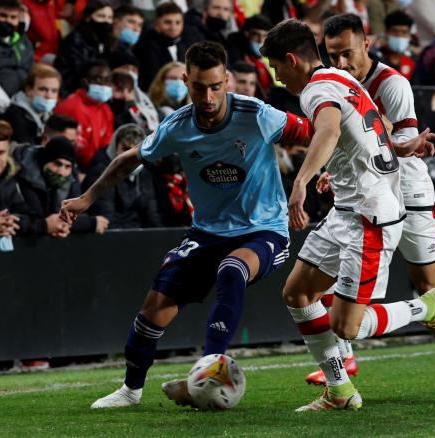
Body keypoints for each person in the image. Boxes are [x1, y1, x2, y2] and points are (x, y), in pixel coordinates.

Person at [59, 41, 311, 409]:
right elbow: (131, 159)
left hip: (263, 229)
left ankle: (209, 369)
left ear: (227, 81)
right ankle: (130, 390)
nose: (207, 97)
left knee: (232, 269)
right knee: (153, 309)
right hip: (206, 232)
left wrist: (323, 174)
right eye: (198, 87)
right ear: (185, 81)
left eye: (215, 87)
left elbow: (320, 132)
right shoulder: (176, 126)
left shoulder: (257, 114)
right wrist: (86, 198)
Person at [261, 19, 435, 412]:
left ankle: (430, 306)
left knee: (346, 326)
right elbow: (374, 126)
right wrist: (401, 149)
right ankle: (341, 390)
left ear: (292, 60)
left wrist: (300, 182)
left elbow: (329, 132)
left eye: (276, 69)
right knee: (297, 294)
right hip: (347, 210)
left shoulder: (316, 89)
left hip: (370, 215)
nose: (278, 79)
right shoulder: (339, 77)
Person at [302, 13, 435, 388]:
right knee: (329, 277)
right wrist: (337, 168)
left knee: (428, 286)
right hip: (368, 194)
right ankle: (344, 358)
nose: (341, 63)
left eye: (347, 53)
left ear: (366, 43)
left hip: (408, 190)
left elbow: (401, 148)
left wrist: (366, 152)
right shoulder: (334, 81)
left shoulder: (392, 83)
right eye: (332, 56)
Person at [15, 136, 108, 235]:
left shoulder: (71, 180)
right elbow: (43, 219)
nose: (61, 172)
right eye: (57, 164)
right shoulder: (26, 178)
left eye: (67, 166)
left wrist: (65, 226)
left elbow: (76, 214)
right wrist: (91, 223)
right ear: (45, 161)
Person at [84, 124, 162, 229]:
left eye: (136, 151)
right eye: (125, 149)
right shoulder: (100, 173)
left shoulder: (144, 174)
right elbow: (106, 218)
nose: (130, 156)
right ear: (115, 148)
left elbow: (152, 216)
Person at [54, 60, 114, 170]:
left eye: (107, 80)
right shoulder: (72, 108)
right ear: (84, 83)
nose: (103, 85)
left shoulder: (106, 110)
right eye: (97, 79)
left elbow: (107, 146)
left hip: (94, 169)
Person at [54, 0, 114, 95]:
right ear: (88, 17)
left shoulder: (107, 41)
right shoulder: (75, 40)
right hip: (70, 90)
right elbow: (79, 69)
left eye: (110, 18)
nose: (106, 21)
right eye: (101, 16)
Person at [1, 64, 62, 145]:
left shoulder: (50, 116)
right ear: (28, 90)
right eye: (43, 89)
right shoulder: (14, 116)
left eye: (54, 91)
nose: (49, 96)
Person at [134, 2, 187, 91]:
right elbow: (150, 81)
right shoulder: (147, 46)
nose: (173, 27)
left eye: (178, 22)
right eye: (167, 22)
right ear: (156, 23)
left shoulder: (181, 45)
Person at [225, 14, 273, 99]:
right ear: (246, 34)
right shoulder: (234, 55)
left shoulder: (269, 58)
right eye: (256, 35)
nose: (260, 40)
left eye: (265, 36)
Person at [373, 10, 417, 81]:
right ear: (387, 33)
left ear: (409, 36)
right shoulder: (375, 58)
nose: (399, 36)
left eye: (404, 32)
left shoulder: (413, 60)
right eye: (395, 31)